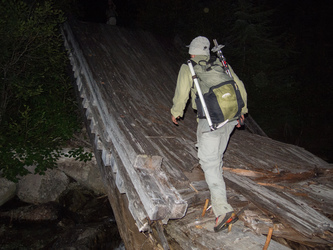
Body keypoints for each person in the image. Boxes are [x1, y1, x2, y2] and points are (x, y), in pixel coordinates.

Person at [170, 36, 248, 232]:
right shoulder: (221, 63)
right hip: (230, 118)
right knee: (216, 157)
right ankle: (218, 190)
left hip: (211, 122)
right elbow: (239, 86)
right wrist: (242, 113)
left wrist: (176, 112)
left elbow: (182, 93)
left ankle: (223, 210)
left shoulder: (188, 66)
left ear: (192, 52)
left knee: (209, 161)